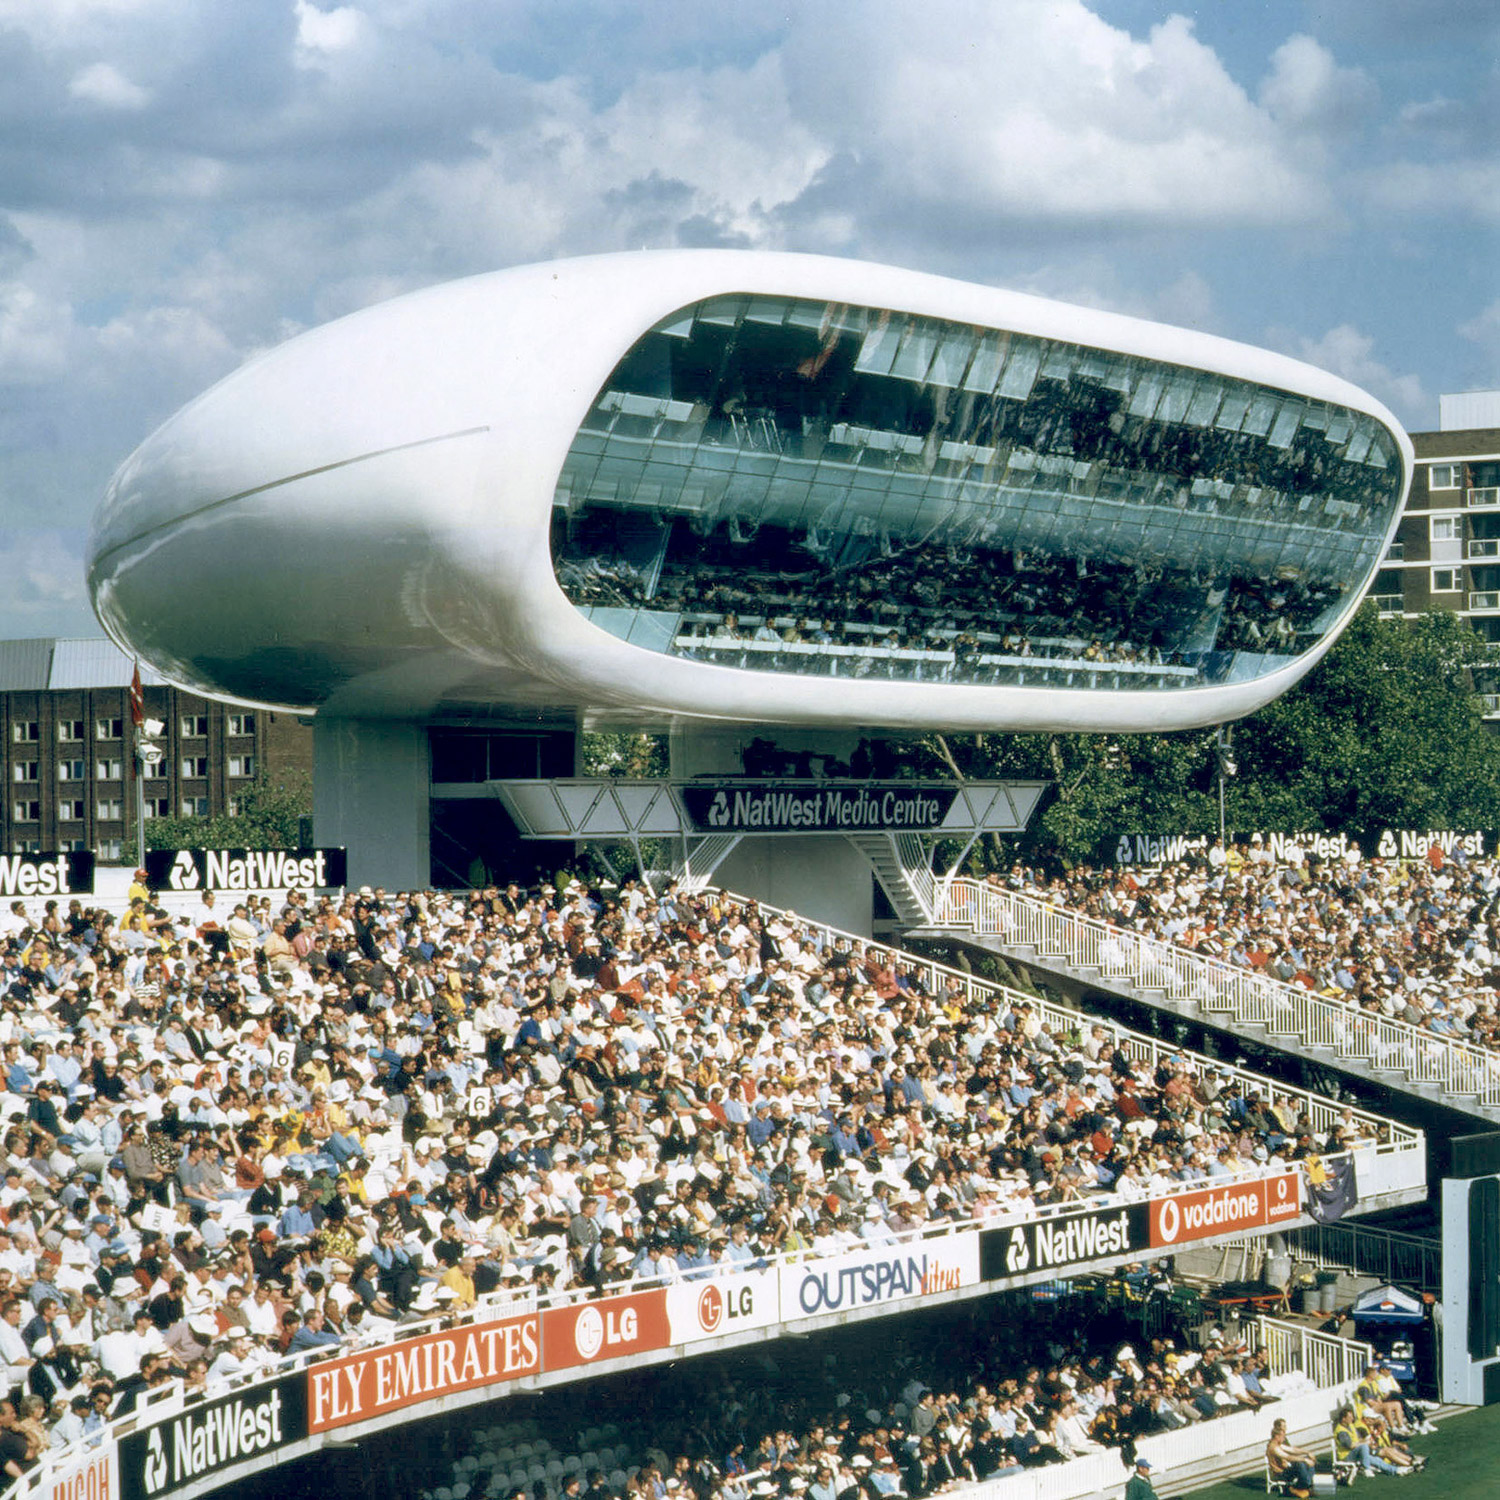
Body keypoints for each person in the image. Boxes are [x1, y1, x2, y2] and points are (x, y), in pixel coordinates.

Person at [1266, 1418, 1316, 1498]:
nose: (1284, 1437)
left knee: (1307, 1460)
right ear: (1276, 1436)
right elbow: (1288, 1457)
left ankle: (1307, 1486)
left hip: (1286, 1470)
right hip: (1281, 1473)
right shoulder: (1274, 1447)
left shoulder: (1278, 1444)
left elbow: (1292, 1450)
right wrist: (1304, 1459)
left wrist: (1307, 1453)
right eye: (1282, 1436)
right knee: (1299, 1463)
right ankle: (1306, 1487)